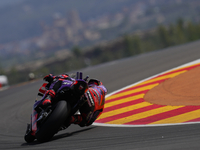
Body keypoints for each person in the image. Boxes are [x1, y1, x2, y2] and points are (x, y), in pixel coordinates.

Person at [40, 73, 107, 128]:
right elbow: (89, 121)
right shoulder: (101, 104)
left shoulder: (92, 87)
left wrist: (51, 77)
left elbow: (63, 78)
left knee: (59, 80)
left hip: (86, 96)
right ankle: (72, 119)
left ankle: (48, 97)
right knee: (83, 121)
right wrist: (76, 119)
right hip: (89, 109)